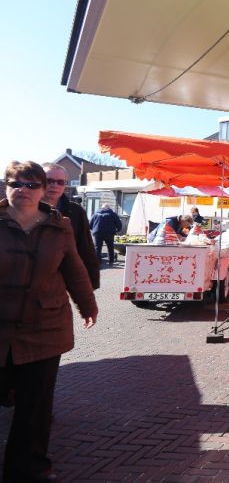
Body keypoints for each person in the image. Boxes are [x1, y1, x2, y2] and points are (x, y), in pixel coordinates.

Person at [0, 160, 98, 482]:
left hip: (45, 328)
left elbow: (75, 270)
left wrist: (87, 305)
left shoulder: (60, 226)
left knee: (35, 407)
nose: (23, 191)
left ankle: (27, 469)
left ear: (43, 190)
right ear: (6, 187)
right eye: (16, 184)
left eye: (32, 185)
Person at [41, 163, 100, 289]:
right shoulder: (26, 208)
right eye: (49, 181)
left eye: (60, 182)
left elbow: (86, 246)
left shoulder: (76, 211)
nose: (54, 185)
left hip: (64, 280)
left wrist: (92, 281)